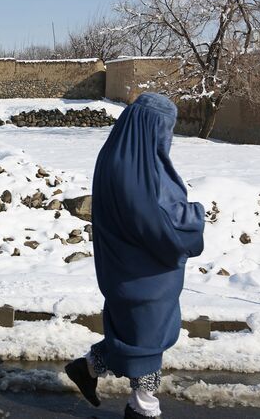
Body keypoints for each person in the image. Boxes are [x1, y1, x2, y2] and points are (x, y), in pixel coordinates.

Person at [65, 93, 205, 418]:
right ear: (152, 128)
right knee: (148, 336)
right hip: (144, 273)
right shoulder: (138, 171)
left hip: (124, 266)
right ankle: (143, 408)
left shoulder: (119, 156)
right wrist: (194, 218)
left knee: (133, 331)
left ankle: (87, 368)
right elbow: (157, 223)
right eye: (165, 129)